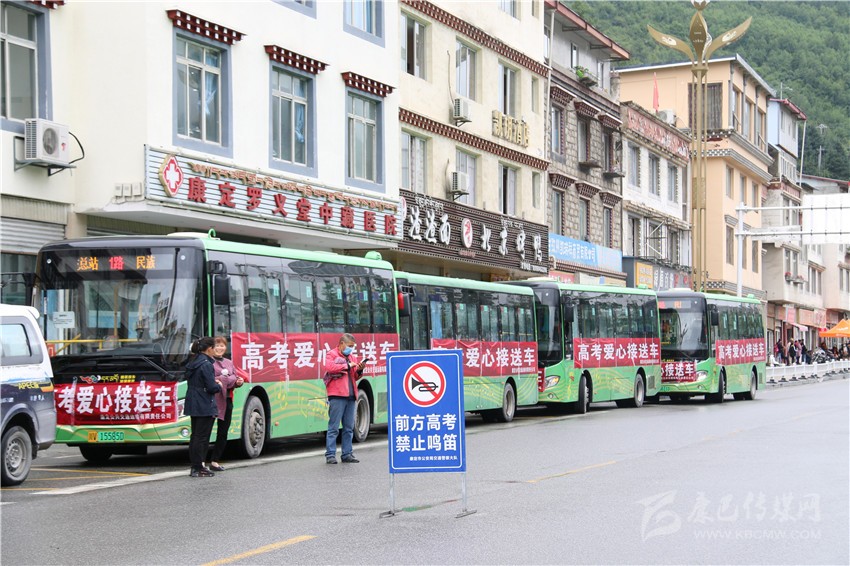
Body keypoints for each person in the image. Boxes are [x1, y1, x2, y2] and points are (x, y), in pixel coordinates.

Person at [323, 333, 366, 464]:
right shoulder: (331, 354)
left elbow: (355, 376)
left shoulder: (352, 357)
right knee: (334, 427)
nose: (351, 349)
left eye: (352, 346)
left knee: (349, 427)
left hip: (351, 396)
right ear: (342, 344)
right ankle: (330, 455)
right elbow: (330, 368)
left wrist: (359, 370)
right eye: (349, 346)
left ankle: (347, 454)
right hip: (337, 395)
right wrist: (347, 365)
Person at [184, 337, 222, 477]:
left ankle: (195, 466)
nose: (215, 350)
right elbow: (211, 387)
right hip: (204, 403)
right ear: (209, 348)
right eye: (214, 347)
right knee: (202, 437)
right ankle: (199, 467)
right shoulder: (206, 364)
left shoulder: (193, 361)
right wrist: (218, 385)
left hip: (193, 402)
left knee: (195, 436)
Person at [207, 336, 244, 472]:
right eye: (217, 345)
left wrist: (238, 382)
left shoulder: (229, 362)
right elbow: (209, 379)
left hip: (227, 399)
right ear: (211, 348)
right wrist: (226, 379)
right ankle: (200, 461)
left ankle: (215, 461)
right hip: (211, 400)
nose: (219, 348)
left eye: (222, 345)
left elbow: (234, 377)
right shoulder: (208, 362)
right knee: (206, 431)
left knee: (223, 432)